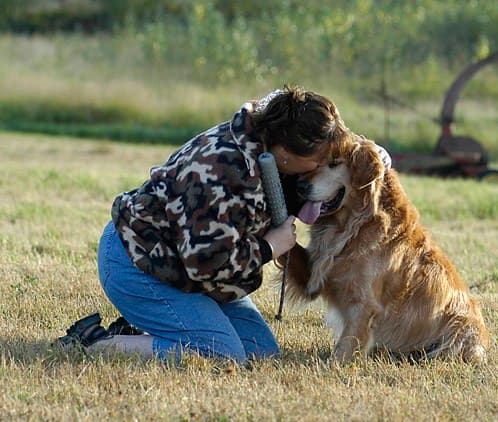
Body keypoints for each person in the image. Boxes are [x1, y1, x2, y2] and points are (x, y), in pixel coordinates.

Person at [56, 85, 351, 364]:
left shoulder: (272, 136)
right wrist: (270, 246)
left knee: (261, 353)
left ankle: (151, 334)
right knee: (220, 355)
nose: (321, 168)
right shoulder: (223, 171)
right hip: (139, 262)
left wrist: (371, 155)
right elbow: (207, 261)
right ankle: (95, 342)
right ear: (287, 153)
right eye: (319, 160)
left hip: (187, 273)